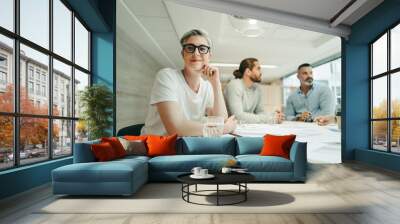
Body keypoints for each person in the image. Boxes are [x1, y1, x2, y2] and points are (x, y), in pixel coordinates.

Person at [141, 29, 237, 136]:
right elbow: (175, 128)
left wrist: (216, 84)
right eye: (190, 48)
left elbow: (221, 120)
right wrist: (224, 129)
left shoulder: (207, 87)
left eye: (202, 49)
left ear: (209, 55)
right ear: (183, 54)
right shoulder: (167, 76)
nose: (196, 53)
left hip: (184, 146)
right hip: (157, 148)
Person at [224, 58, 284, 124]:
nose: (261, 72)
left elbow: (260, 112)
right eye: (258, 69)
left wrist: (273, 115)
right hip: (231, 129)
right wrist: (269, 118)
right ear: (248, 72)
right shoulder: (234, 85)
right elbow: (238, 116)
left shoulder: (257, 88)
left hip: (248, 127)